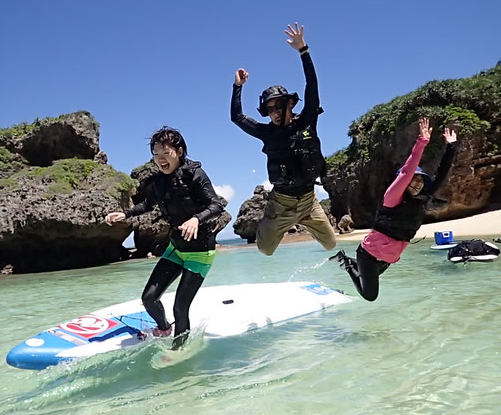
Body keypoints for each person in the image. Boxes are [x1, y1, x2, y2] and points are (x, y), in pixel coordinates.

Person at [105, 127, 225, 349]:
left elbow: (216, 204)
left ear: (179, 152)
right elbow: (148, 204)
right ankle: (163, 328)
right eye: (156, 156)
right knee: (149, 298)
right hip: (176, 248)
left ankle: (178, 350)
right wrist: (125, 214)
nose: (160, 160)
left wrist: (196, 219)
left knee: (180, 307)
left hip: (200, 252)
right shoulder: (159, 182)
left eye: (165, 154)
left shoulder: (195, 175)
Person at [231, 22, 336, 255]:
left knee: (330, 244)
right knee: (265, 250)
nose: (274, 114)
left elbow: (312, 85)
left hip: (309, 200)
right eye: (269, 110)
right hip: (281, 203)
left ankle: (306, 220)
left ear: (290, 103)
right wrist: (237, 87)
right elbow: (237, 117)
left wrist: (303, 51)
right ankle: (270, 222)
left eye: (278, 107)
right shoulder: (267, 133)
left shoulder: (307, 121)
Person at [331, 117, 457, 301]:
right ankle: (348, 264)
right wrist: (422, 142)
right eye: (412, 180)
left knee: (369, 278)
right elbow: (407, 171)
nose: (416, 183)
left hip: (388, 258)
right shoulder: (393, 197)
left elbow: (442, 173)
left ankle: (350, 263)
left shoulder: (422, 198)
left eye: (420, 180)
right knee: (370, 295)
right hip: (369, 254)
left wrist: (451, 146)